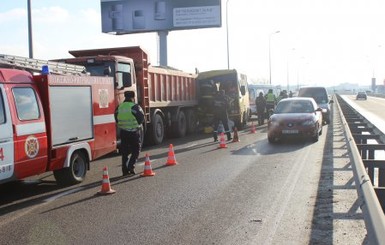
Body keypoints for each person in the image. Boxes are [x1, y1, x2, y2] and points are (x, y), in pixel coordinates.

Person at [115, 91, 145, 176]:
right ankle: (131, 167)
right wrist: (137, 125)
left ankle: (125, 171)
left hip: (123, 132)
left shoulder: (119, 107)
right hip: (133, 132)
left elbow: (116, 118)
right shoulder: (135, 107)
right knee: (136, 149)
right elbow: (141, 118)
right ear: (133, 97)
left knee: (125, 152)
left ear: (125, 97)